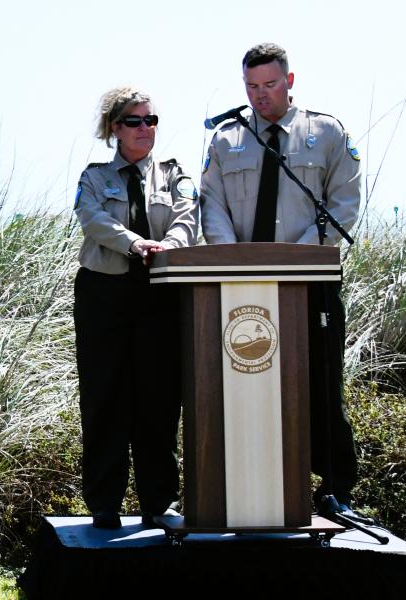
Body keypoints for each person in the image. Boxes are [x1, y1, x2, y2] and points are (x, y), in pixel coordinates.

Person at [201, 43, 362, 514]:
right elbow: (211, 203)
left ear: (289, 82)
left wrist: (300, 257)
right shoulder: (226, 139)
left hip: (311, 287)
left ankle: (335, 491)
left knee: (321, 387)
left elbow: (343, 204)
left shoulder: (326, 133)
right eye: (251, 87)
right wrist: (235, 262)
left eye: (269, 86)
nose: (260, 97)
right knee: (246, 392)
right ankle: (249, 491)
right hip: (242, 290)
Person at [72, 90, 197, 530]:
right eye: (134, 121)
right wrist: (135, 243)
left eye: (151, 120)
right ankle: (104, 503)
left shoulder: (174, 174)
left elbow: (186, 216)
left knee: (159, 399)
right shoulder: (94, 176)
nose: (145, 128)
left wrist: (169, 249)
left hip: (161, 292)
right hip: (104, 293)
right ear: (114, 129)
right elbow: (92, 219)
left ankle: (159, 502)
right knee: (105, 398)